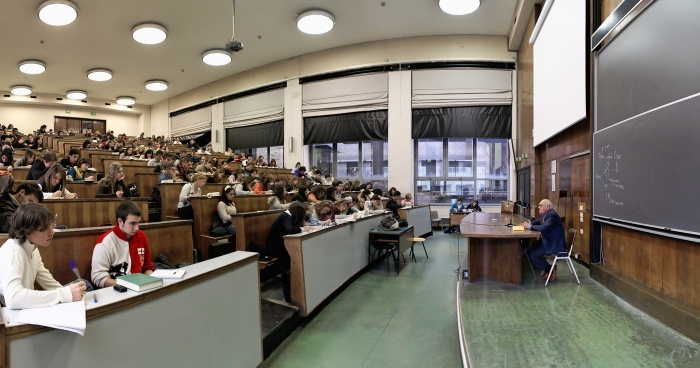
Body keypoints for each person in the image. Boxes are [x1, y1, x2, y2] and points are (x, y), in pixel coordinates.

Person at [0, 203, 88, 309]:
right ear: (27, 231)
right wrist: (65, 294)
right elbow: (13, 299)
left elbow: (48, 282)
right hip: (8, 317)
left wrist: (71, 296)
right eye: (44, 228)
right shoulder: (12, 250)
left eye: (51, 226)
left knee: (84, 285)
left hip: (21, 311)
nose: (52, 233)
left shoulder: (32, 248)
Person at [91, 200, 155, 288]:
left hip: (140, 287)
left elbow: (147, 267)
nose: (137, 228)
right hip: (116, 289)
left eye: (138, 223)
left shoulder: (141, 236)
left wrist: (153, 281)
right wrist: (125, 285)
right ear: (120, 221)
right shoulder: (104, 243)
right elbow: (98, 277)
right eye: (132, 223)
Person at [267, 202, 308, 302]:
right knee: (288, 262)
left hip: (282, 244)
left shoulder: (288, 215)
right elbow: (290, 230)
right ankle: (290, 295)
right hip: (276, 247)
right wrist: (303, 229)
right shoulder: (286, 216)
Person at [523, 199, 566, 282]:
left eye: (540, 205)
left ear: (547, 207)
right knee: (529, 251)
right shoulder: (546, 214)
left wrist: (529, 227)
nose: (538, 207)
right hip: (547, 241)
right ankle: (547, 269)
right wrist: (530, 223)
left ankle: (550, 268)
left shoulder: (552, 215)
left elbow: (544, 228)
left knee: (532, 255)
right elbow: (539, 221)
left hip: (553, 244)